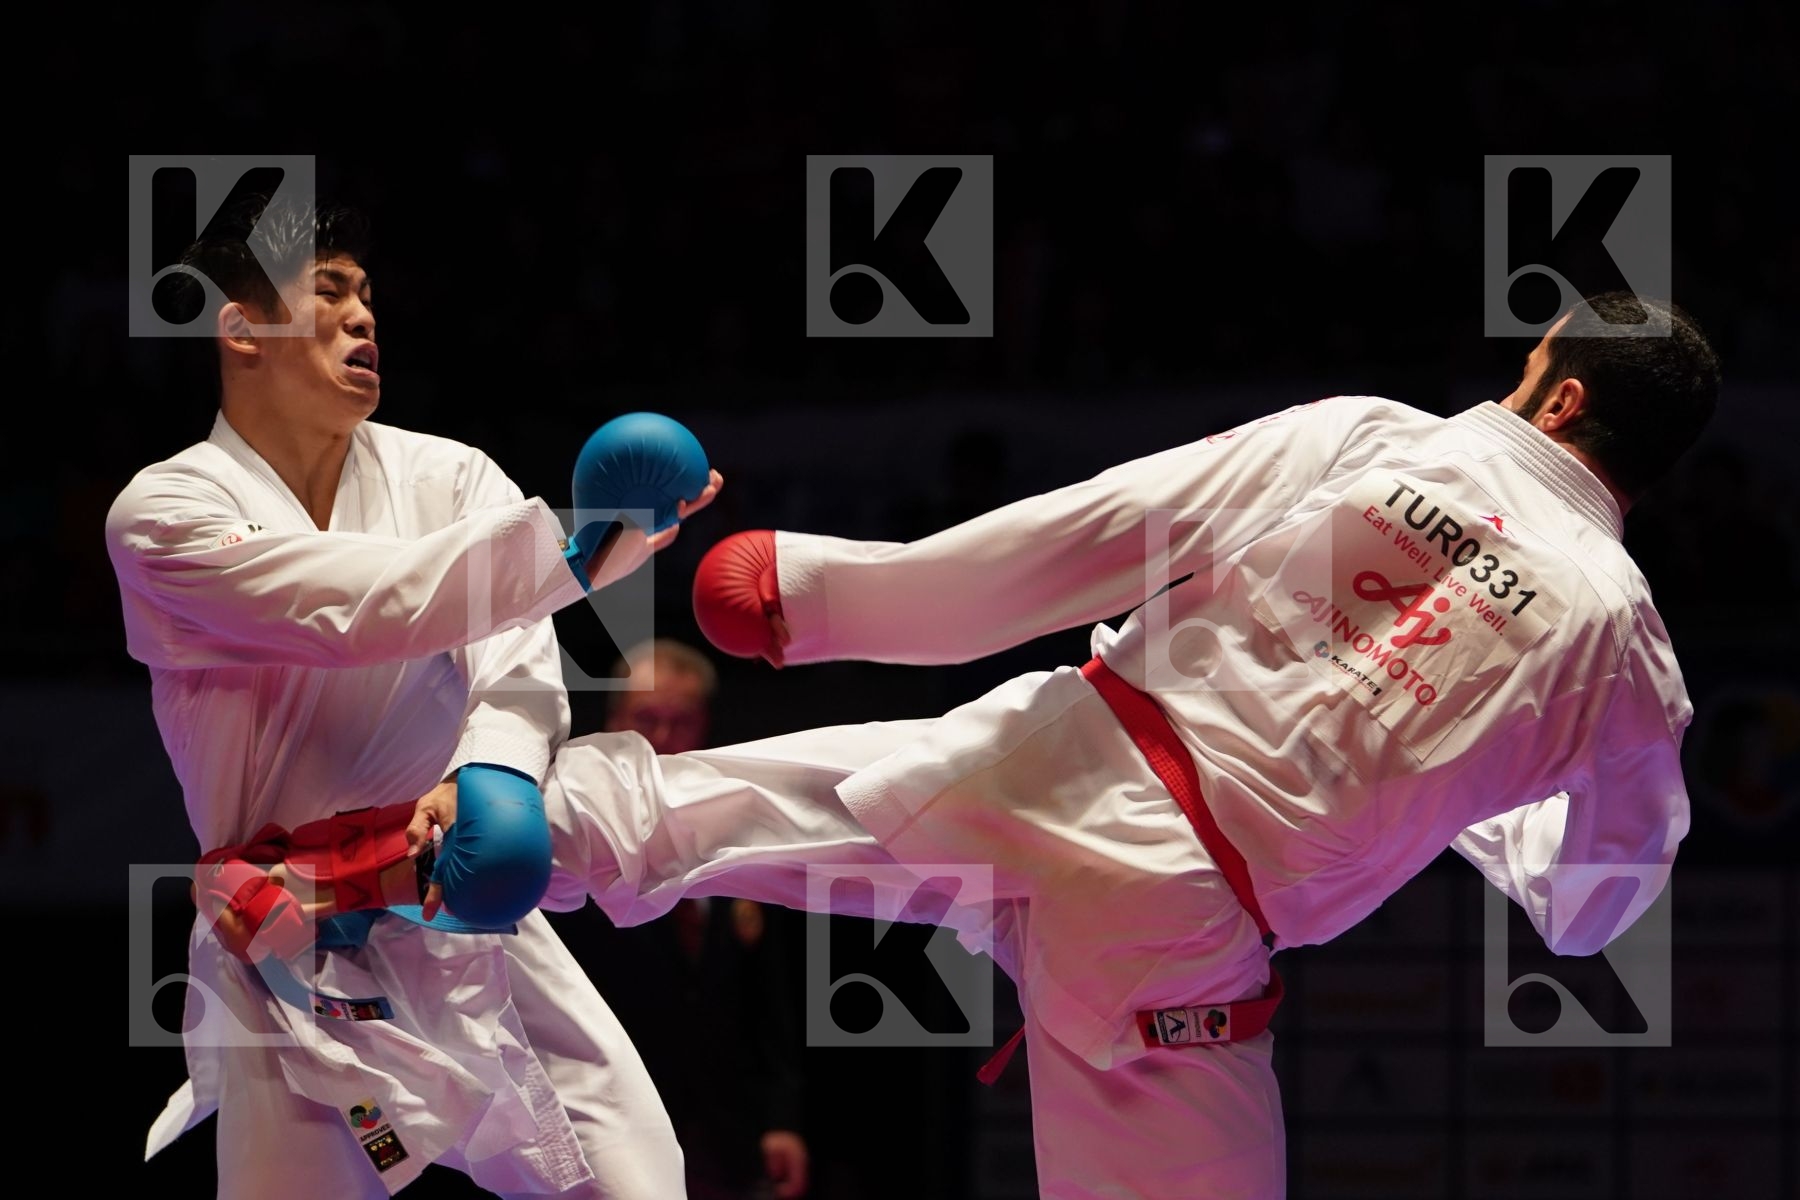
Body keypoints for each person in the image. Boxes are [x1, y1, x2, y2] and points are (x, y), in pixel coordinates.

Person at [523, 292, 1720, 1197]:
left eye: (1526, 373)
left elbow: (1110, 528)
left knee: (716, 813)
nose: (1507, 388)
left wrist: (834, 595)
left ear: (1560, 400)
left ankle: (442, 828)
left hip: (1054, 771)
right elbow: (1592, 910)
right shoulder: (1627, 654)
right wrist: (1463, 801)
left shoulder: (1381, 438)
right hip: (1180, 942)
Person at [108, 194, 719, 1198]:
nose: (364, 318)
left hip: (457, 891)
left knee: (637, 1179)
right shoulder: (166, 514)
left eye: (370, 298)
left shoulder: (454, 475)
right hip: (292, 933)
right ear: (243, 328)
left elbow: (516, 658)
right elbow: (360, 604)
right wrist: (578, 547)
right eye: (332, 294)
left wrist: (491, 776)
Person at [551, 639, 811, 1200]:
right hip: (607, 1117)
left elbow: (770, 1003)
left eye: (682, 721)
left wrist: (781, 1116)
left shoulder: (737, 828)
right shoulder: (562, 837)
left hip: (725, 1128)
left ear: (705, 726)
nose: (664, 740)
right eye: (647, 720)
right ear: (614, 722)